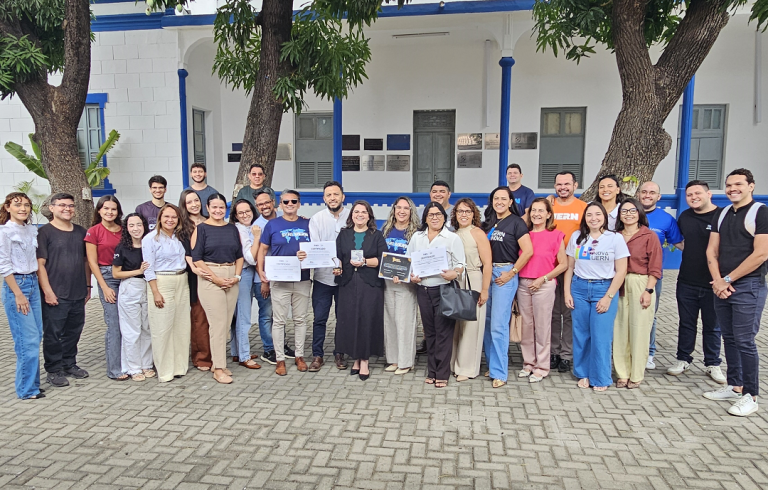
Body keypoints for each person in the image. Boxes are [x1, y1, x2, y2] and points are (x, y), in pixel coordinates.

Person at [705, 168, 768, 417]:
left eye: (739, 184)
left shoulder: (760, 212)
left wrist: (727, 279)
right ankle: (735, 386)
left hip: (748, 286)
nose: (733, 189)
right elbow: (712, 250)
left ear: (751, 186)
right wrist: (718, 281)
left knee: (744, 341)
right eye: (729, 185)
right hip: (722, 285)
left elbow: (761, 254)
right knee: (729, 338)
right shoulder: (721, 213)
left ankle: (751, 396)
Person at [564, 202, 629, 392]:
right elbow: (569, 267)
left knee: (601, 335)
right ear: (584, 218)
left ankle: (600, 377)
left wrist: (608, 297)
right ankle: (582, 373)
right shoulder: (577, 237)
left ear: (604, 217)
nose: (594, 218)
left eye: (598, 214)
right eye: (589, 215)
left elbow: (621, 270)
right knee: (581, 334)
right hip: (579, 288)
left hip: (604, 288)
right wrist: (567, 292)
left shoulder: (615, 238)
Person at [666, 180, 724, 382]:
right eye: (689, 195)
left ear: (709, 194)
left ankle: (712, 363)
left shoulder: (722, 216)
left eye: (698, 193)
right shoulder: (685, 216)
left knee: (713, 326)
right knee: (686, 323)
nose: (693, 197)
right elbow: (680, 241)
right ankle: (683, 359)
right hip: (687, 281)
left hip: (713, 282)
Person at [407, 202, 465, 389]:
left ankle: (442, 373)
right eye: (431, 214)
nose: (434, 218)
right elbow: (409, 261)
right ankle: (431, 371)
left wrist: (454, 273)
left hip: (444, 290)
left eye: (438, 214)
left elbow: (461, 264)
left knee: (443, 333)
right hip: (423, 289)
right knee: (429, 332)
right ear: (425, 217)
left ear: (444, 217)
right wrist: (412, 276)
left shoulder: (452, 238)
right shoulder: (417, 237)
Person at [36, 193, 90, 388]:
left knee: (74, 331)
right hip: (55, 293)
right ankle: (53, 369)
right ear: (52, 208)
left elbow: (86, 261)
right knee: (53, 333)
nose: (67, 208)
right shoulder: (44, 233)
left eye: (70, 205)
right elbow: (40, 265)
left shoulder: (81, 232)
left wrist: (88, 286)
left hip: (77, 292)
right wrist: (47, 291)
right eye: (62, 205)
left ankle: (69, 364)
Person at [482, 187, 532, 388]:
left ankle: (500, 372)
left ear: (511, 201)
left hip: (505, 273)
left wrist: (511, 273)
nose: (499, 202)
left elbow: (528, 251)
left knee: (498, 325)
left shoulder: (516, 223)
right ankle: (492, 364)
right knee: (487, 322)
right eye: (496, 198)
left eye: (504, 198)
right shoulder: (489, 222)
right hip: (487, 273)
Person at [258, 189, 312, 376]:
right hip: (279, 280)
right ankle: (280, 358)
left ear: (299, 204)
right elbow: (262, 250)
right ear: (280, 205)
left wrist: (307, 255)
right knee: (279, 321)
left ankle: (299, 356)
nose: (290, 204)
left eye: (293, 201)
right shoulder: (272, 225)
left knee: (300, 319)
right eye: (286, 202)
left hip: (302, 279)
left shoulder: (308, 224)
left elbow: (316, 249)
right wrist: (261, 271)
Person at [192, 193, 245, 384]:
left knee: (225, 323)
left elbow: (239, 255)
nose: (218, 210)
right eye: (214, 207)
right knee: (218, 324)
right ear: (207, 208)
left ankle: (217, 363)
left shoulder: (232, 228)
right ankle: (219, 369)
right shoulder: (202, 229)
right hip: (210, 276)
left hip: (231, 275)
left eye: (221, 207)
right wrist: (215, 278)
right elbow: (197, 258)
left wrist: (236, 277)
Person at [334, 201, 388, 381]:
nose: (360, 215)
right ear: (351, 215)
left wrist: (365, 261)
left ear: (369, 215)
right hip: (348, 283)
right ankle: (355, 358)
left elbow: (383, 259)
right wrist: (337, 268)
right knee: (350, 320)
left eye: (364, 212)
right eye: (356, 211)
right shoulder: (343, 234)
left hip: (370, 284)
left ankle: (364, 360)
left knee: (366, 319)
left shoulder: (376, 235)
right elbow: (337, 257)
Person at [612, 199, 662, 389]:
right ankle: (622, 373)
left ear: (639, 212)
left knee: (639, 329)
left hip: (640, 282)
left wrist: (648, 290)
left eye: (632, 210)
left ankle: (636, 373)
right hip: (618, 283)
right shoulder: (614, 236)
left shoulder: (649, 236)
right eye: (624, 211)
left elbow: (655, 267)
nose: (628, 214)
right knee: (619, 329)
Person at [516, 198, 566, 383]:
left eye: (541, 210)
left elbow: (563, 264)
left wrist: (543, 278)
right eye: (533, 210)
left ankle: (542, 366)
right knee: (526, 326)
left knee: (543, 326)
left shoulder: (556, 235)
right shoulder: (524, 234)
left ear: (548, 214)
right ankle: (528, 363)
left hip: (544, 284)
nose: (536, 214)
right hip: (524, 283)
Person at [0, 192, 44, 399]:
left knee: (36, 335)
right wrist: (18, 294)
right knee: (27, 339)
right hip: (17, 286)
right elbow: (4, 266)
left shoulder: (31, 230)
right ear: (7, 207)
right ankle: (27, 390)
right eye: (17, 205)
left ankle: (33, 383)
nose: (23, 208)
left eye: (26, 205)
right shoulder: (5, 232)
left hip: (33, 282)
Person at [142, 204, 192, 383]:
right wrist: (155, 291)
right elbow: (148, 268)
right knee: (162, 328)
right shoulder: (150, 239)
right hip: (162, 281)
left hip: (182, 280)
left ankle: (179, 367)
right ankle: (165, 370)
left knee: (181, 326)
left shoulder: (180, 237)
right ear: (160, 218)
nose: (170, 220)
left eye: (174, 217)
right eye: (166, 217)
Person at [638, 181, 685, 369]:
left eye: (652, 192)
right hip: (626, 275)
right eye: (644, 191)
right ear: (638, 194)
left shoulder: (666, 219)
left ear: (659, 197)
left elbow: (680, 244)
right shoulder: (628, 214)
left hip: (653, 276)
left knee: (650, 314)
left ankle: (649, 352)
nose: (647, 195)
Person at [308, 181, 350, 371]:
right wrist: (332, 262)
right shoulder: (316, 219)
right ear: (324, 198)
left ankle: (340, 353)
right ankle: (317, 355)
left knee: (343, 318)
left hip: (346, 279)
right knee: (319, 318)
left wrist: (342, 265)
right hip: (322, 278)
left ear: (343, 197)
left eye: (336, 194)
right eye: (329, 195)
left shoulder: (351, 216)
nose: (333, 198)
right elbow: (315, 247)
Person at [548, 171, 587, 375]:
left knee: (569, 313)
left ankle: (566, 354)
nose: (563, 187)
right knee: (553, 313)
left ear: (575, 185)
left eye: (567, 184)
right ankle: (553, 352)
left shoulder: (584, 208)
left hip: (573, 268)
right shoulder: (549, 205)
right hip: (550, 268)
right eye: (559, 184)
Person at [85, 195, 127, 381]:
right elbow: (92, 263)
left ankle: (130, 363)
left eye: (113, 209)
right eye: (106, 208)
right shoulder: (93, 232)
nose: (110, 212)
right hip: (107, 277)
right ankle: (115, 369)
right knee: (114, 324)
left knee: (129, 322)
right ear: (99, 210)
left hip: (126, 275)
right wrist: (104, 287)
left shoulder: (124, 230)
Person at [449, 198, 491, 382]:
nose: (463, 215)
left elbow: (487, 263)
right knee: (456, 325)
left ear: (473, 214)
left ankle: (467, 368)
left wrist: (484, 289)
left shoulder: (477, 233)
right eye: (460, 211)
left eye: (467, 211)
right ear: (455, 214)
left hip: (473, 278)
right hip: (456, 280)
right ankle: (454, 364)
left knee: (471, 326)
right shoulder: (453, 234)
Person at [112, 213, 155, 382]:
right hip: (131, 287)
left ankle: (147, 364)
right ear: (126, 228)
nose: (136, 229)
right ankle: (133, 367)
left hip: (148, 287)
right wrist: (139, 271)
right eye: (131, 225)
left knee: (147, 328)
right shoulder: (122, 248)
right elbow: (116, 273)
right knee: (132, 330)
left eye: (139, 224)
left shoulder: (149, 245)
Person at [381, 196, 421, 375]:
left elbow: (419, 257)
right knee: (390, 320)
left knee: (404, 321)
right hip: (387, 281)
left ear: (411, 211)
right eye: (399, 208)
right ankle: (393, 359)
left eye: (406, 208)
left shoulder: (417, 233)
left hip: (406, 283)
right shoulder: (386, 229)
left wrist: (408, 275)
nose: (402, 211)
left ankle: (405, 362)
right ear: (394, 210)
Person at [415, 180, 455, 356]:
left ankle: (445, 355)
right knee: (429, 322)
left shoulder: (455, 213)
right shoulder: (422, 214)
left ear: (449, 194)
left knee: (444, 323)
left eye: (442, 191)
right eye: (434, 191)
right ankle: (429, 344)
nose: (438, 194)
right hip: (425, 280)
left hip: (445, 280)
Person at [179, 189, 212, 371]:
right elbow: (186, 253)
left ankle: (215, 354)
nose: (194, 205)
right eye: (189, 202)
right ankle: (201, 357)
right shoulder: (182, 227)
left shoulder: (210, 221)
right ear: (184, 205)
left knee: (213, 317)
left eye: (196, 200)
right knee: (199, 318)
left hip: (213, 272)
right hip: (195, 275)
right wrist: (195, 268)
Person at [229, 199, 264, 370]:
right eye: (240, 213)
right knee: (243, 316)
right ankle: (244, 356)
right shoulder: (241, 230)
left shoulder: (248, 227)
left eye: (247, 211)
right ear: (235, 216)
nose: (245, 215)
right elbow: (249, 258)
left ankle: (236, 351)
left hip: (243, 272)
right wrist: (257, 237)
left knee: (237, 316)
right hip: (243, 272)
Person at [251, 189, 278, 364]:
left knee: (278, 315)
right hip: (263, 278)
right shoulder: (256, 226)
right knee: (266, 315)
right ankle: (269, 349)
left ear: (273, 202)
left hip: (281, 277)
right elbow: (255, 256)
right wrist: (263, 280)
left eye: (266, 202)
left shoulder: (282, 219)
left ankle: (279, 345)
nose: (264, 206)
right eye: (260, 204)